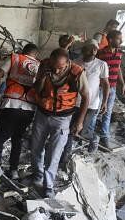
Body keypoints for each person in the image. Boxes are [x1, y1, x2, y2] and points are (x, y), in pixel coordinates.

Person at [31, 48, 89, 198]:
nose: (56, 71)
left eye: (60, 67)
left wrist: (80, 121)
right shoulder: (44, 66)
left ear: (68, 63)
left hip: (63, 119)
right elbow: (36, 90)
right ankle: (37, 175)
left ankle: (48, 185)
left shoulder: (77, 73)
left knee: (54, 154)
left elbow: (86, 97)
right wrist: (43, 77)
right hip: (42, 115)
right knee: (36, 148)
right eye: (54, 66)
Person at [0, 43, 40, 180]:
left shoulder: (15, 58)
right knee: (17, 138)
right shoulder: (40, 66)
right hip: (29, 108)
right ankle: (13, 170)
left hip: (11, 104)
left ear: (23, 51)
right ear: (35, 54)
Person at [60, 40, 109, 166]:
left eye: (86, 49)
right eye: (83, 48)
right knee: (70, 130)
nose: (83, 51)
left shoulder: (101, 65)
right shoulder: (76, 63)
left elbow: (105, 84)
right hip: (73, 102)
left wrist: (104, 102)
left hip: (91, 104)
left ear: (94, 50)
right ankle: (64, 158)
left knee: (81, 131)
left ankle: (93, 138)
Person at [96, 30, 125, 148]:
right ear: (111, 40)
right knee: (95, 111)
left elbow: (118, 69)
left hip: (112, 87)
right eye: (119, 39)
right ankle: (89, 134)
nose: (121, 41)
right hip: (100, 87)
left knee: (107, 113)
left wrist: (122, 83)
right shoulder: (100, 53)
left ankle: (104, 137)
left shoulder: (119, 53)